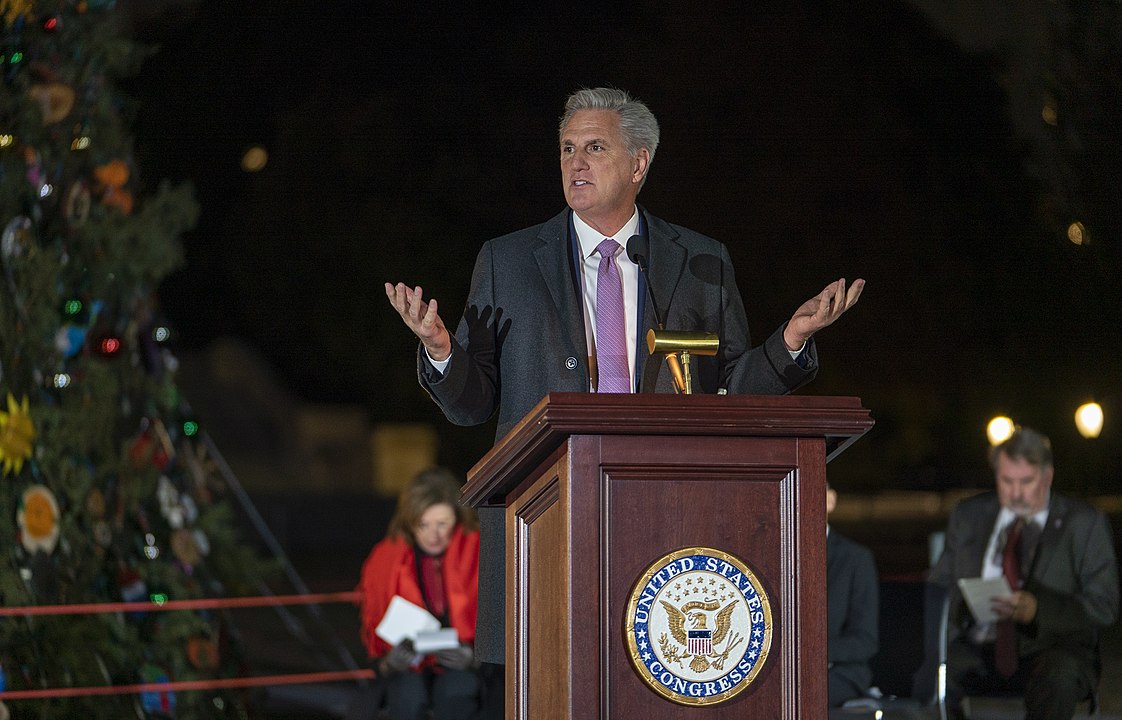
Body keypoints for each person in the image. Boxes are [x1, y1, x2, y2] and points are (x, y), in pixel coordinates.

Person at [384, 87, 865, 680]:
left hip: (671, 520)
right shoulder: (506, 261)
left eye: (594, 147)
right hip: (546, 520)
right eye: (566, 149)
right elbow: (472, 404)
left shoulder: (699, 261)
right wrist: (440, 351)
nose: (575, 163)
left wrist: (789, 340)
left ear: (639, 163)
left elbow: (735, 394)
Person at [929, 427, 1119, 720]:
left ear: (1047, 476)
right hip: (979, 645)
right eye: (1007, 481)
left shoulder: (1084, 524)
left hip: (1052, 649)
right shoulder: (969, 516)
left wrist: (1037, 610)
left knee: (1057, 675)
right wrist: (965, 605)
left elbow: (1103, 605)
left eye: (1026, 482)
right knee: (928, 669)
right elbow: (939, 587)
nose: (1016, 493)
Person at [351, 468, 482, 720]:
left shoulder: (477, 550)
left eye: (442, 524)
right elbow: (374, 632)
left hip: (463, 664)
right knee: (408, 695)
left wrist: (474, 658)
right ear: (410, 523)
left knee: (458, 691)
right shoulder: (385, 559)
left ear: (458, 519)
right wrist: (390, 662)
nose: (434, 536)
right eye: (423, 524)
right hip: (408, 667)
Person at [826, 484, 879, 708]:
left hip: (839, 671)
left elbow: (865, 641)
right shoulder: (773, 556)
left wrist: (811, 654)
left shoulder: (855, 559)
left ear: (830, 500)